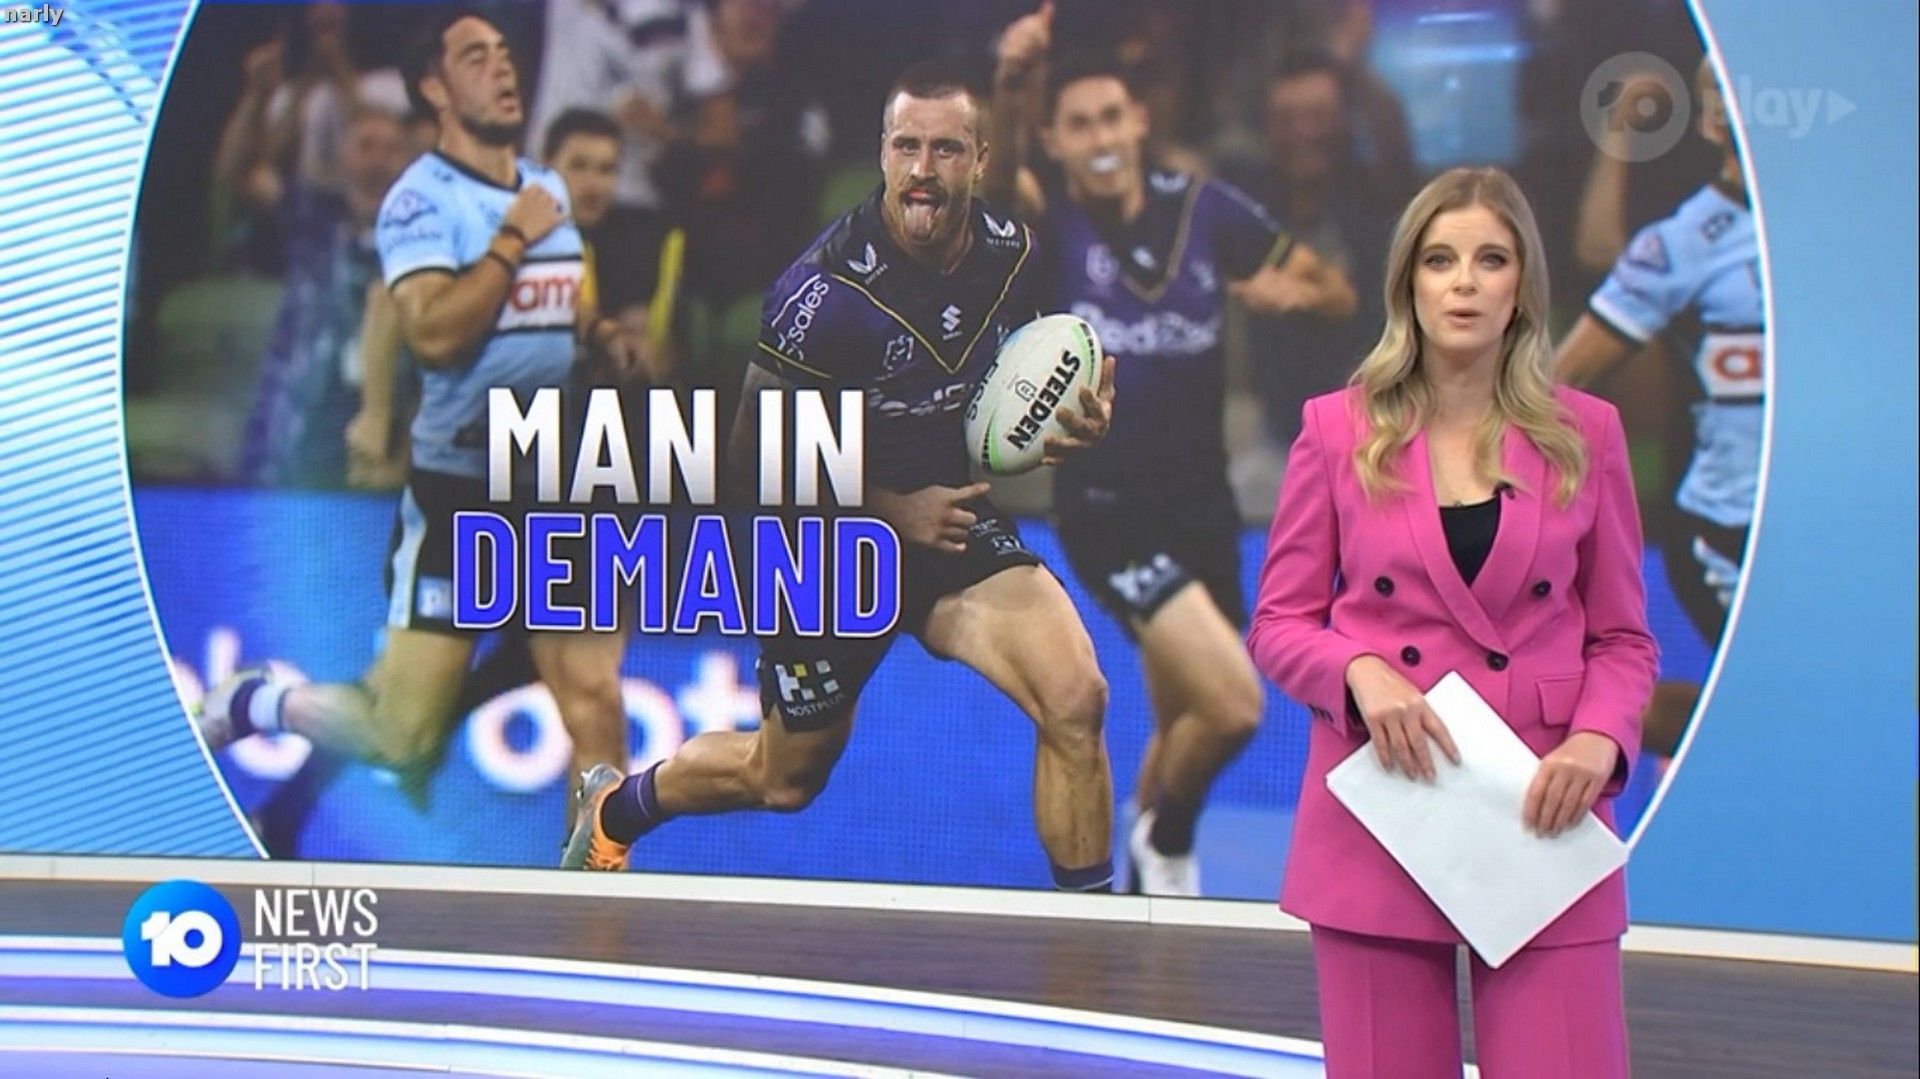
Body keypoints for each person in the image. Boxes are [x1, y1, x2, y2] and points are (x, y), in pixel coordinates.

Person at [562, 60, 1124, 895]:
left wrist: (1071, 416)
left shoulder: (1009, 251)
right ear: (882, 152)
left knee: (1076, 698)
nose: (922, 169)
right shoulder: (821, 294)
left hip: (948, 527)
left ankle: (1090, 939)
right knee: (781, 778)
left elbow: (1024, 372)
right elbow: (752, 459)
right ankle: (619, 808)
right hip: (827, 552)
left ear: (979, 159)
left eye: (945, 149)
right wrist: (894, 509)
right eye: (906, 146)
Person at [1245, 166, 1657, 1077]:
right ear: (1409, 284)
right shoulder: (1337, 429)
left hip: (1542, 806)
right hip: (1388, 805)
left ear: (1523, 287)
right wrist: (1359, 671)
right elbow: (1278, 622)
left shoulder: (1587, 434)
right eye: (1440, 260)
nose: (1464, 282)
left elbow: (1623, 637)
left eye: (1490, 259)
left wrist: (1599, 739)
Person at [198, 11, 647, 819]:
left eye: (504, 53)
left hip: (557, 489)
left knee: (595, 708)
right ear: (436, 90)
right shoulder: (422, 202)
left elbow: (560, 308)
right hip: (460, 493)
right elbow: (415, 320)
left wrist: (599, 335)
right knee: (403, 734)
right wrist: (376, 414)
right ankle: (261, 703)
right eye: (477, 57)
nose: (502, 68)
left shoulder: (546, 200)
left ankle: (594, 890)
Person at [985, 10, 1354, 895]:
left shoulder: (1205, 210)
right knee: (1234, 704)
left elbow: (1336, 291)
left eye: (1112, 118)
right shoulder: (1047, 227)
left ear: (1140, 121)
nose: (1101, 138)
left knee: (1186, 716)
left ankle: (1139, 884)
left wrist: (1294, 297)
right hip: (1106, 510)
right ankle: (1167, 839)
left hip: (1204, 506)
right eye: (1080, 125)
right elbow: (998, 186)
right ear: (1053, 141)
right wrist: (1007, 85)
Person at [1555, 59, 1759, 759]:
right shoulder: (1683, 243)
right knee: (1781, 694)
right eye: (1723, 95)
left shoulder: (1837, 236)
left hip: (1825, 518)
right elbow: (1562, 377)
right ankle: (1572, 716)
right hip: (1724, 530)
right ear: (1708, 120)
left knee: (1802, 702)